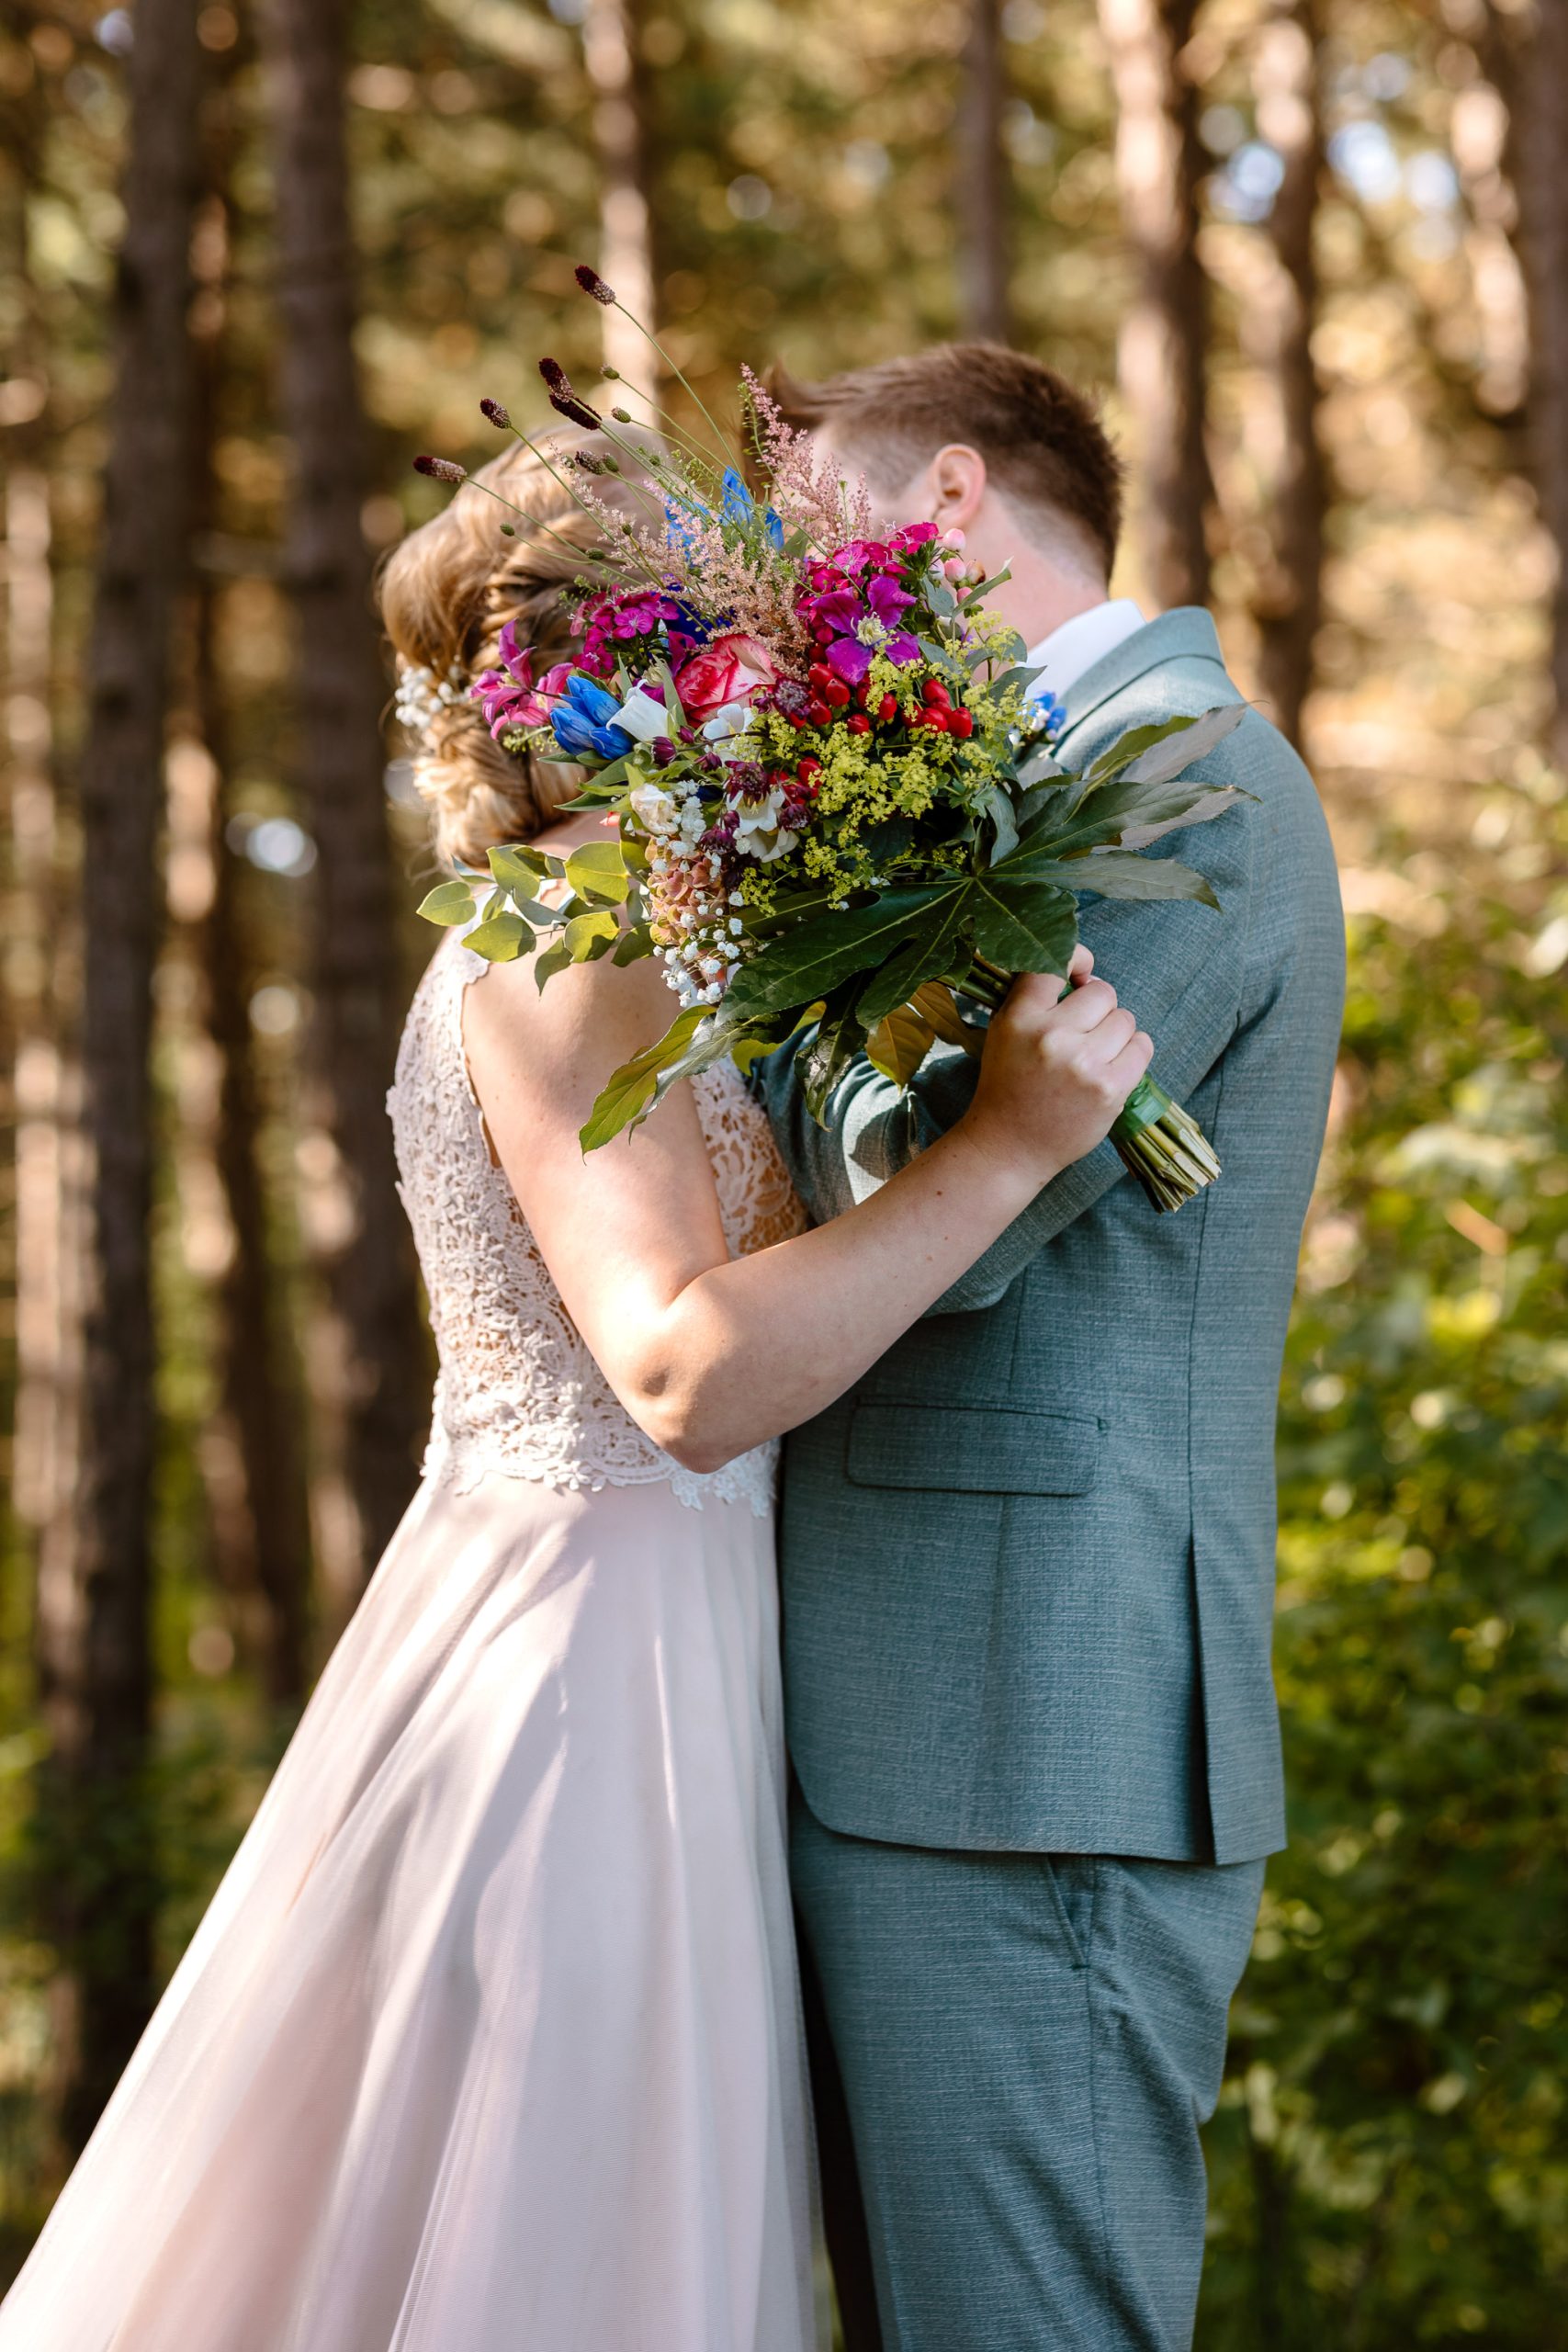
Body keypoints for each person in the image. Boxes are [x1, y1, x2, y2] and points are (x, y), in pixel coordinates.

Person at [0, 439, 1153, 2352]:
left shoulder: (668, 916)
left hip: (653, 1632)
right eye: (749, 612)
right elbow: (681, 1369)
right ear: (679, 655)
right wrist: (1011, 1146)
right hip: (583, 1676)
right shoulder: (577, 928)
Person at [752, 345, 1347, 2352]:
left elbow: (966, 1221)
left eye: (804, 529)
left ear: (938, 499)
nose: (785, 590)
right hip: (928, 1710)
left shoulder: (1177, 771)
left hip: (1034, 1731)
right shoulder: (1019, 776)